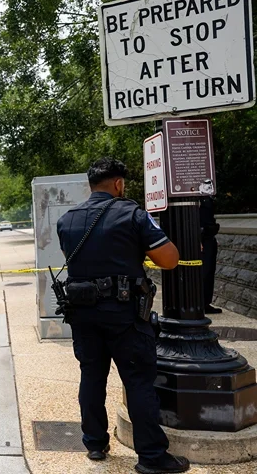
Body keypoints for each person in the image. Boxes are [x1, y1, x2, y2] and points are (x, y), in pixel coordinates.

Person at [56, 158, 189, 474]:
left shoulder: (67, 220)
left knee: (91, 376)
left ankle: (95, 444)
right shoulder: (132, 214)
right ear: (118, 184)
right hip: (125, 315)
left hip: (83, 314)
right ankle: (152, 457)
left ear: (91, 184)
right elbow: (170, 259)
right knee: (139, 382)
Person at [200, 180, 222, 314]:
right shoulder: (199, 200)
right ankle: (201, 303)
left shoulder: (208, 199)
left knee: (209, 271)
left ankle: (205, 302)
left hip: (209, 237)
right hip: (203, 237)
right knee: (203, 271)